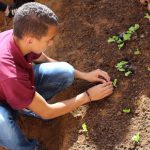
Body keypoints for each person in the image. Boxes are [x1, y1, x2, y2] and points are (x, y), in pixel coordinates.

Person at [0, 2, 113, 150]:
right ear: (30, 40)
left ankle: (26, 106)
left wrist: (85, 75)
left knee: (66, 71)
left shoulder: (17, 37)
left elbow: (43, 59)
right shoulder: (11, 74)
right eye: (48, 40)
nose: (52, 43)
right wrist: (88, 96)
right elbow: (47, 112)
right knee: (3, 124)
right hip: (4, 97)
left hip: (12, 88)